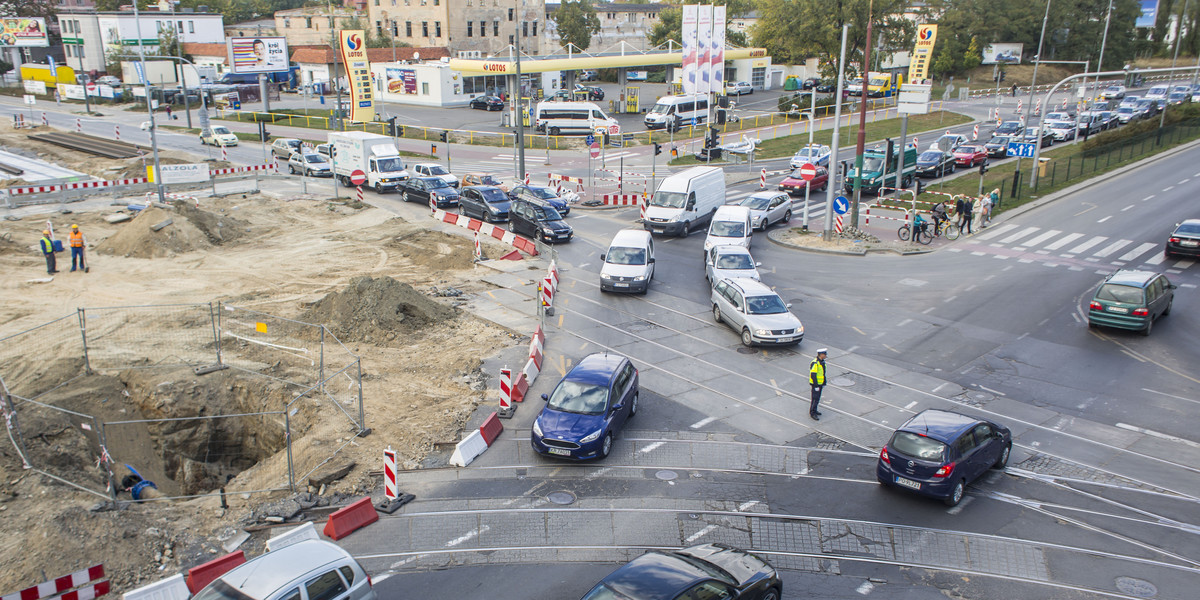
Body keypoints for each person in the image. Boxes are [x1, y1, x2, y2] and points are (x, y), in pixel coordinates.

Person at [809, 349, 827, 421]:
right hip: (816, 385)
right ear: (821, 354)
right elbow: (813, 375)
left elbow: (822, 373)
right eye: (824, 354)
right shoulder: (815, 363)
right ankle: (812, 413)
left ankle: (815, 410)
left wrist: (823, 382)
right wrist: (816, 385)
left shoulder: (822, 362)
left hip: (820, 383)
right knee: (814, 399)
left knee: (817, 398)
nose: (825, 355)